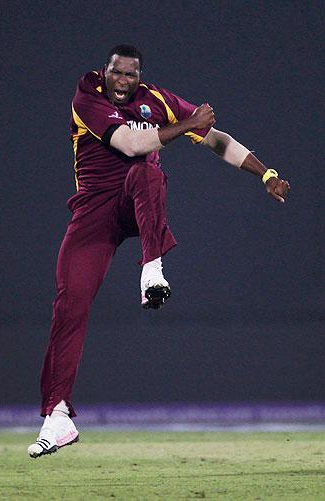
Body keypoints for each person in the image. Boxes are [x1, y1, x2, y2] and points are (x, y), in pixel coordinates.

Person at [27, 44, 290, 458]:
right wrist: (187, 124)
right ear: (105, 71)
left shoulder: (158, 100)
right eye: (116, 73)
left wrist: (266, 174)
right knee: (69, 305)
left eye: (130, 75)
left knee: (146, 171)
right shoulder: (87, 94)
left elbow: (216, 139)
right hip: (94, 214)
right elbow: (130, 142)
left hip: (136, 204)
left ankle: (152, 267)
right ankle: (57, 415)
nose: (122, 82)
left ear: (139, 77)